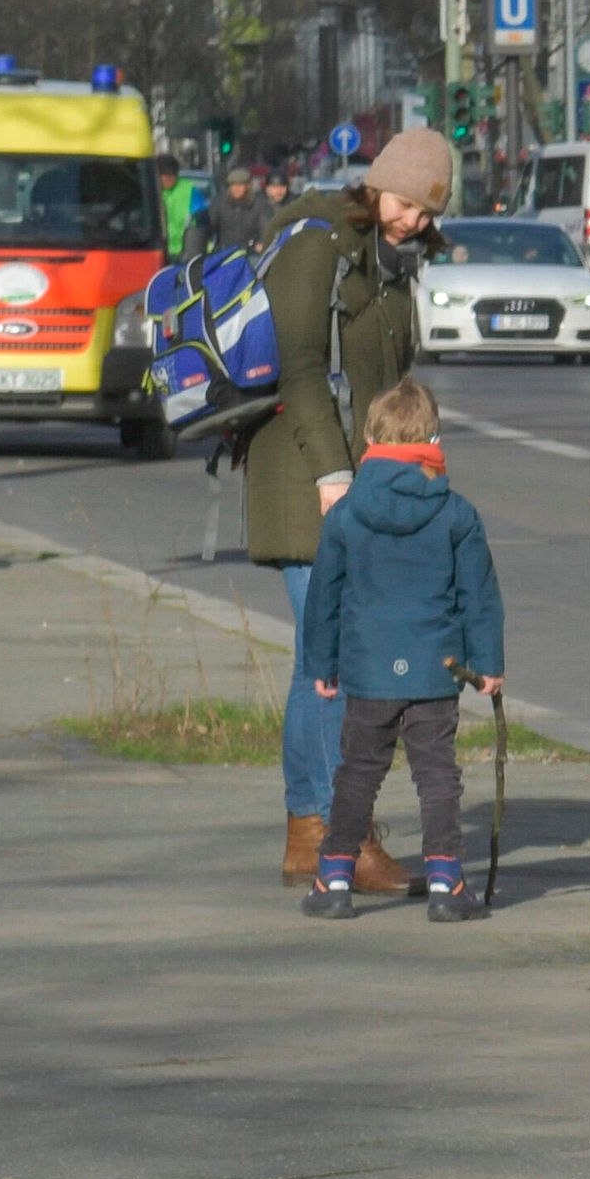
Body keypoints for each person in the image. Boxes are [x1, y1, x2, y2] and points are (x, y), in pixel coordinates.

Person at [243, 128, 443, 890]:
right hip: (303, 476)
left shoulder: (393, 264)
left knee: (319, 659)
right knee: (336, 659)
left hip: (365, 480)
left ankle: (311, 833)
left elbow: (388, 377)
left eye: (425, 213)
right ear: (376, 187)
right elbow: (298, 367)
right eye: (403, 204)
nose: (411, 221)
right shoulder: (318, 245)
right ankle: (340, 832)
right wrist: (332, 473)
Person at [301, 377, 505, 915]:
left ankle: (333, 881)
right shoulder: (456, 514)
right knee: (437, 775)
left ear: (370, 440)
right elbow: (478, 595)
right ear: (432, 442)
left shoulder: (345, 514)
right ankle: (446, 884)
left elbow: (325, 593)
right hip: (435, 670)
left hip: (367, 669)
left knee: (357, 775)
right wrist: (486, 665)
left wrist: (320, 663)